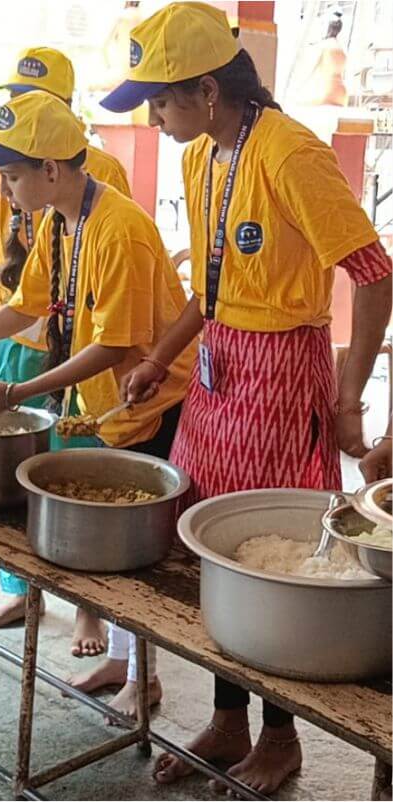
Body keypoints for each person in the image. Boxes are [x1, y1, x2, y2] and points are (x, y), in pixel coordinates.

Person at [102, 2, 392, 793]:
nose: (154, 118)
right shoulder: (202, 156)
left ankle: (279, 735)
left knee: (272, 556)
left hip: (280, 373)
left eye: (160, 101)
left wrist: (345, 399)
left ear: (204, 89)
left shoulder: (290, 151)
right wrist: (159, 354)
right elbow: (211, 285)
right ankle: (229, 720)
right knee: (210, 552)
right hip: (217, 370)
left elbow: (374, 276)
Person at [0, 90, 196, 720]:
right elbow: (23, 307)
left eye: (10, 176)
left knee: (136, 555)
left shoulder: (118, 230)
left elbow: (117, 347)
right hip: (105, 403)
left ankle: (145, 677)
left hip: (149, 403)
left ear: (51, 170)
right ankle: (122, 660)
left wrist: (16, 394)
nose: (5, 191)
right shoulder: (62, 223)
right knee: (108, 549)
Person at [0, 46, 132, 658]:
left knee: (79, 476)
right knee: (8, 474)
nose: (17, 109)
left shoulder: (102, 192)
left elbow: (116, 329)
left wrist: (15, 385)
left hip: (87, 358)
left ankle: (92, 612)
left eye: (34, 101)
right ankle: (23, 588)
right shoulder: (8, 177)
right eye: (13, 97)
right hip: (13, 345)